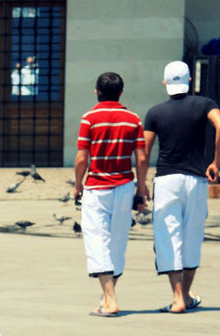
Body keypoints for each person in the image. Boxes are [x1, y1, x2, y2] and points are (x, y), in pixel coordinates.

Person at [143, 61, 220, 313]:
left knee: (168, 237)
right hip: (197, 180)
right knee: (192, 236)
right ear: (190, 81)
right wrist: (215, 162)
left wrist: (141, 183)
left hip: (167, 180)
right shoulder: (204, 104)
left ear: (164, 83)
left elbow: (145, 151)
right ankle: (188, 296)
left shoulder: (155, 112)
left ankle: (178, 297)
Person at [73, 72, 148, 317]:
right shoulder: (133, 119)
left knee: (97, 241)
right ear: (121, 93)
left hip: (97, 187)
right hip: (125, 186)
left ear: (97, 91)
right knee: (117, 243)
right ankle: (106, 298)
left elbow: (82, 158)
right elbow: (142, 158)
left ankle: (111, 300)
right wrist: (142, 187)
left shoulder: (89, 118)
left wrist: (77, 185)